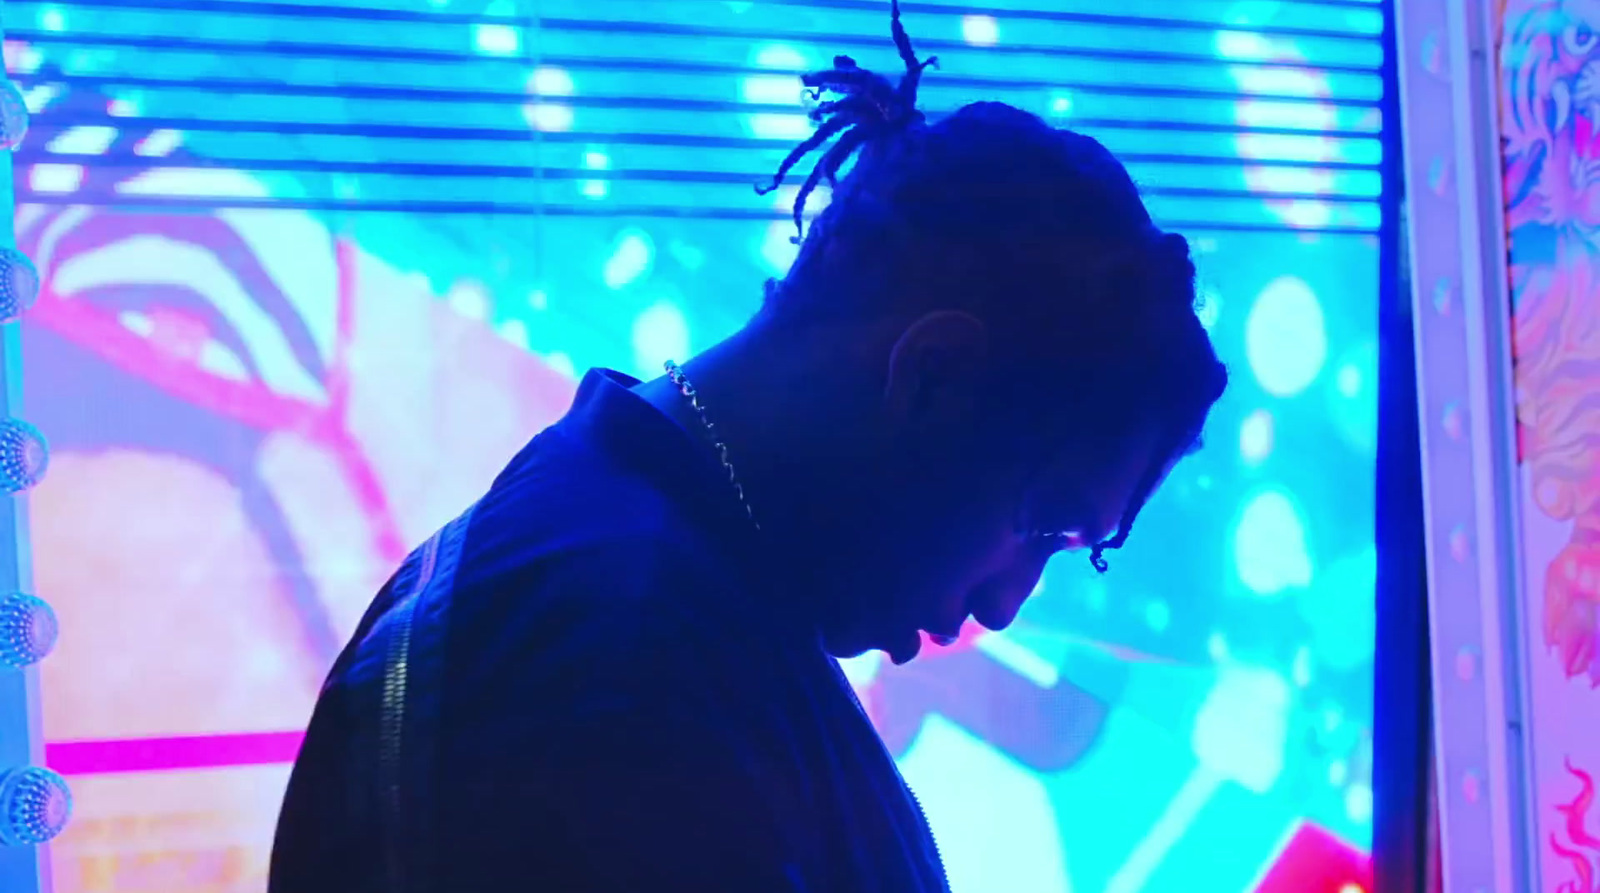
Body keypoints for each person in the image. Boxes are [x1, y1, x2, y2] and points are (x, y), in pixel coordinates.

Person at [267, 2, 1228, 890]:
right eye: (1045, 527)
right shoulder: (620, 674)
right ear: (933, 373)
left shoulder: (632, 581)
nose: (1006, 604)